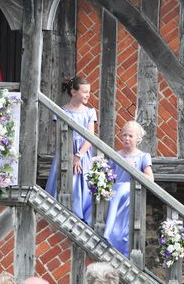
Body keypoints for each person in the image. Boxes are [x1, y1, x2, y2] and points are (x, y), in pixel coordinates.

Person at [45, 76, 97, 225]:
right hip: (65, 152)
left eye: (89, 92)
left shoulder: (89, 112)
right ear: (73, 92)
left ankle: (83, 217)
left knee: (83, 180)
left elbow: (90, 137)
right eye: (85, 91)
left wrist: (79, 156)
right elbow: (59, 137)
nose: (88, 95)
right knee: (63, 179)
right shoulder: (61, 111)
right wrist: (70, 155)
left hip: (83, 154)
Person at [103, 120, 154, 256]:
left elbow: (150, 179)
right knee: (119, 187)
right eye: (124, 135)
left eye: (130, 136)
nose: (126, 138)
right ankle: (109, 235)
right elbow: (109, 178)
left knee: (125, 187)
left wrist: (135, 171)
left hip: (132, 195)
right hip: (115, 196)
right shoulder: (116, 155)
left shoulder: (143, 156)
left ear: (138, 139)